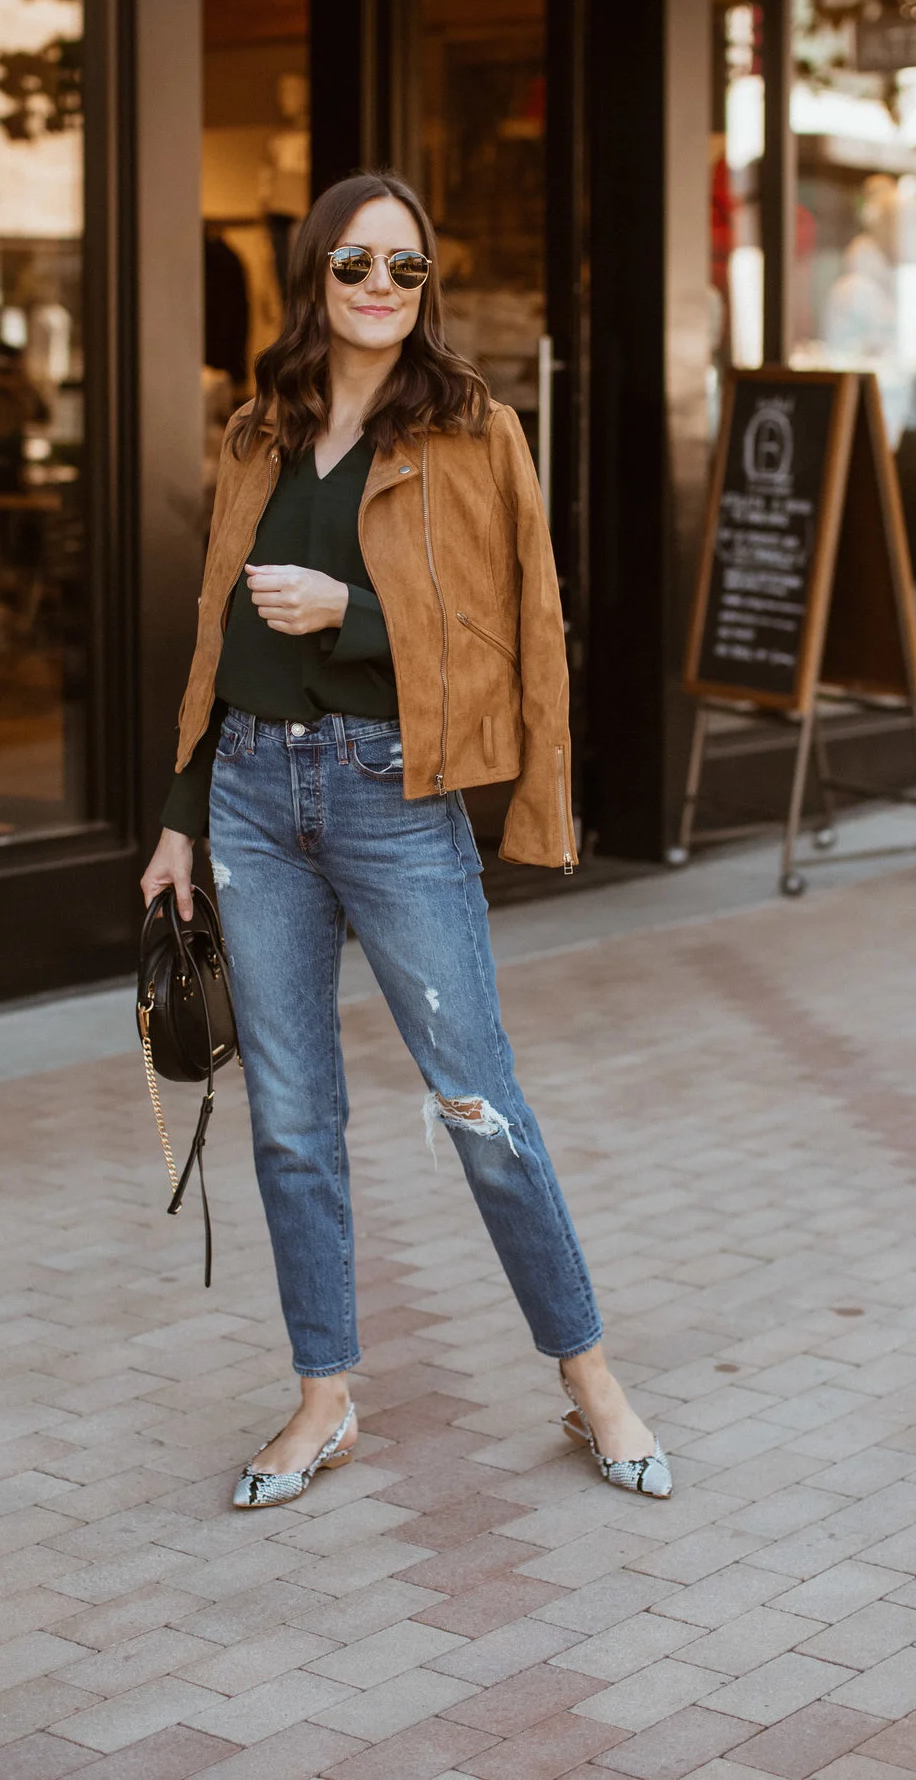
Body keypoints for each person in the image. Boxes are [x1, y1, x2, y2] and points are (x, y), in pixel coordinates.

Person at [140, 169, 671, 1511]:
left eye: (406, 267)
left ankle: (590, 1378)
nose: (380, 287)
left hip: (393, 795)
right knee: (292, 1122)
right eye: (355, 264)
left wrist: (352, 613)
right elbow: (214, 635)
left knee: (478, 1101)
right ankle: (324, 1397)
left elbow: (518, 631)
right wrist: (179, 820)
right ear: (313, 274)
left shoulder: (475, 431)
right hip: (252, 798)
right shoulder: (257, 428)